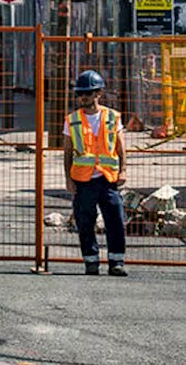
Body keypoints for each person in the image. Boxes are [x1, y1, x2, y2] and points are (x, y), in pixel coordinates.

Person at [63, 69, 128, 277]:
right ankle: (90, 262)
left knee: (115, 220)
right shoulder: (72, 120)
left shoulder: (112, 117)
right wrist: (68, 179)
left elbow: (120, 146)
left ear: (98, 93)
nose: (83, 97)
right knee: (85, 222)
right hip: (83, 180)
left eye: (87, 93)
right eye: (80, 94)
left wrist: (124, 170)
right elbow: (67, 152)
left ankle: (116, 261)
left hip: (108, 179)